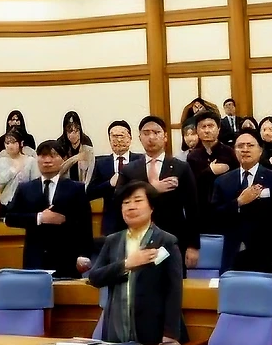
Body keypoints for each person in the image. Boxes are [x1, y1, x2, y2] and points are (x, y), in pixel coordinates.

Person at [87, 180, 187, 345]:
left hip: (153, 330)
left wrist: (170, 334)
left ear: (151, 207)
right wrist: (126, 264)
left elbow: (174, 291)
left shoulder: (166, 241)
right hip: (116, 328)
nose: (131, 207)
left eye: (138, 201)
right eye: (126, 203)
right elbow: (95, 277)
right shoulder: (113, 240)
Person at [121, 115, 203, 269]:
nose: (151, 137)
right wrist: (152, 188)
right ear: (139, 137)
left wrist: (193, 245)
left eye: (156, 132)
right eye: (146, 133)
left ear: (165, 137)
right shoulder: (129, 170)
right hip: (137, 240)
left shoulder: (181, 167)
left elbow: (193, 208)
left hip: (174, 239)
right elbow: (118, 201)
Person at [4, 141, 93, 279]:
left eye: (52, 156)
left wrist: (84, 255)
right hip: (35, 258)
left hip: (67, 258)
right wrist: (39, 217)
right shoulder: (25, 188)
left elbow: (85, 225)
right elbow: (10, 217)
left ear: (63, 159)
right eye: (42, 156)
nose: (47, 160)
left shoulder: (76, 188)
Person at [210, 132, 272, 273]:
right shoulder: (222, 181)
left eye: (250, 145)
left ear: (260, 150)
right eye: (240, 146)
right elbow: (214, 217)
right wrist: (238, 202)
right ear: (234, 151)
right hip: (232, 253)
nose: (245, 149)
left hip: (267, 255)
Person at [88, 120, 144, 237]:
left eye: (121, 136)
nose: (118, 140)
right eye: (114, 136)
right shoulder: (101, 163)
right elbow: (90, 192)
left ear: (130, 138)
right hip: (111, 221)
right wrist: (109, 183)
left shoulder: (141, 160)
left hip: (137, 217)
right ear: (109, 140)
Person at [184, 112, 237, 203]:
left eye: (210, 126)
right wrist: (210, 171)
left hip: (226, 203)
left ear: (218, 129)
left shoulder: (230, 152)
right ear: (197, 131)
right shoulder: (192, 156)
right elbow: (191, 184)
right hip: (201, 204)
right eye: (203, 127)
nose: (207, 130)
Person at [0, 132, 37, 208]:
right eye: (7, 143)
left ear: (21, 143)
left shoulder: (30, 161)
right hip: (5, 203)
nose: (10, 146)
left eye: (13, 143)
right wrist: (11, 172)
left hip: (26, 203)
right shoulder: (0, 161)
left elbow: (36, 184)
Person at [54, 111, 95, 186]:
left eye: (76, 131)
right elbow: (58, 171)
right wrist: (75, 158)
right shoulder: (60, 144)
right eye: (69, 131)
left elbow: (91, 171)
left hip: (83, 185)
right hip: (65, 185)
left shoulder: (86, 143)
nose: (73, 134)